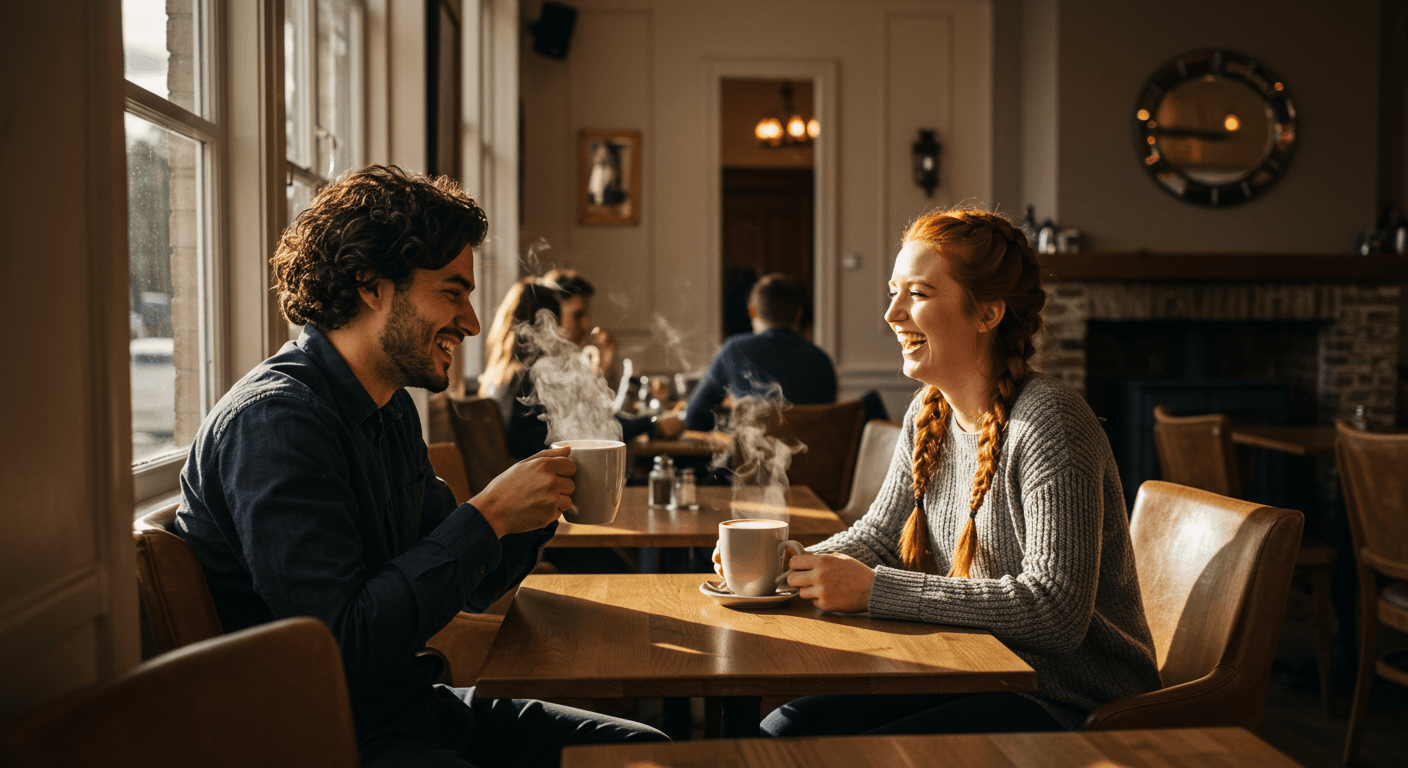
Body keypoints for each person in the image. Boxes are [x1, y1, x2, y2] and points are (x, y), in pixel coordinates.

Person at [174, 165, 666, 767]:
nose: (473, 323)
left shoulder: (388, 407)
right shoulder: (278, 424)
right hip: (325, 736)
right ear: (371, 285)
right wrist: (487, 517)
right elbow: (340, 646)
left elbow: (471, 581)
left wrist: (536, 507)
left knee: (644, 753)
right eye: (453, 292)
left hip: (403, 707)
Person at [735, 208, 1161, 737]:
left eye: (917, 294)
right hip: (977, 670)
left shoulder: (1050, 423)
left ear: (987, 314)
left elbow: (1056, 614)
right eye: (894, 291)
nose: (892, 313)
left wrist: (876, 591)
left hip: (1068, 700)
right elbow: (881, 538)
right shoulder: (927, 411)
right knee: (785, 728)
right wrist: (791, 562)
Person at [479, 276, 683, 462]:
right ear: (548, 324)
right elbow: (596, 430)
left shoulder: (503, 375)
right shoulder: (541, 373)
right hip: (543, 483)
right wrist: (653, 425)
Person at [685, 273, 837, 431]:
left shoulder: (734, 350)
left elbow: (694, 417)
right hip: (814, 455)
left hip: (753, 455)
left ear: (752, 310)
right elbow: (827, 423)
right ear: (799, 314)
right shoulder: (821, 359)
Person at [542, 267, 617, 380]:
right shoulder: (539, 369)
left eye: (587, 314)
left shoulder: (574, 362)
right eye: (577, 315)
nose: (586, 324)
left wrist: (603, 367)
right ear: (551, 315)